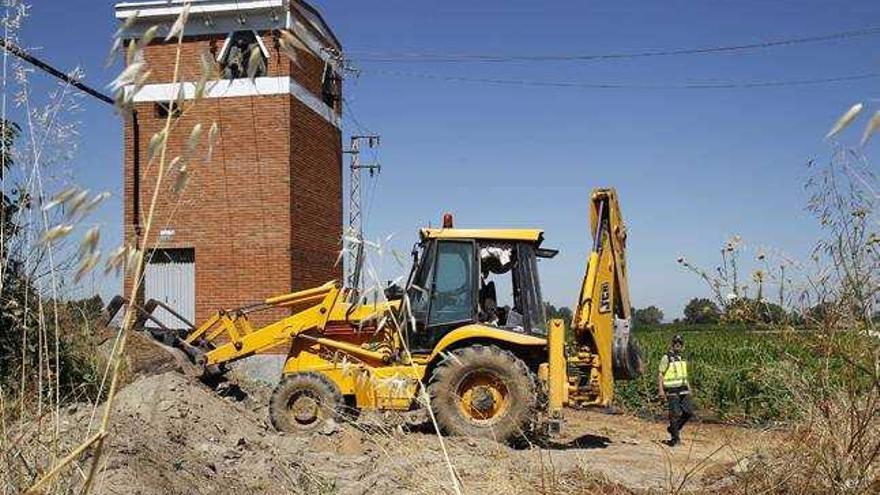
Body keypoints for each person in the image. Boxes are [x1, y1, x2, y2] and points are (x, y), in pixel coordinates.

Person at [658, 334, 693, 446]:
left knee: (688, 412)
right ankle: (675, 439)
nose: (678, 345)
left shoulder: (682, 358)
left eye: (680, 343)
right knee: (674, 414)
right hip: (672, 390)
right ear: (672, 344)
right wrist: (661, 390)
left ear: (682, 345)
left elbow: (684, 375)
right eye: (675, 343)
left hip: (683, 389)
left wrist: (689, 388)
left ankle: (674, 429)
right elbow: (660, 374)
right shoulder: (666, 357)